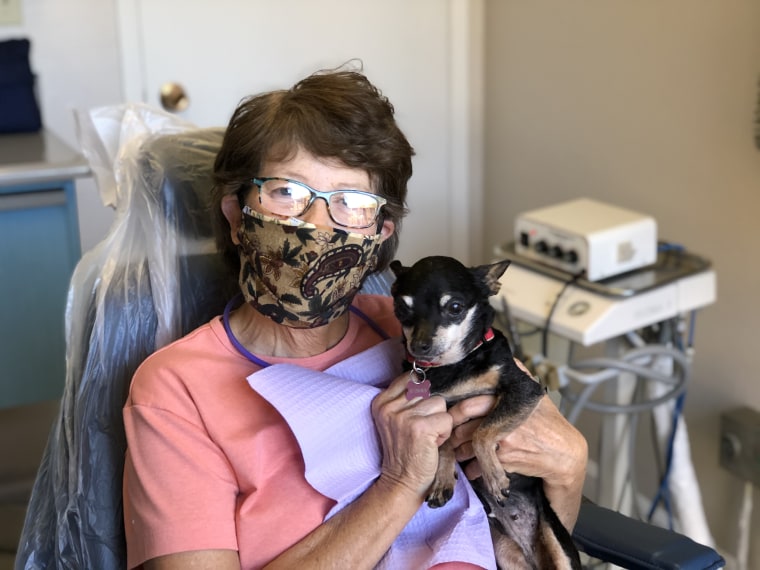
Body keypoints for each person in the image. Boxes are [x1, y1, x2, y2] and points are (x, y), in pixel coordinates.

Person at [122, 66, 588, 570]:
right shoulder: (178, 390)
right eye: (286, 193)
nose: (317, 225)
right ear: (237, 216)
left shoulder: (414, 335)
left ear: (379, 236)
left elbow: (526, 517)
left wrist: (570, 469)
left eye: (351, 202)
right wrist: (400, 484)